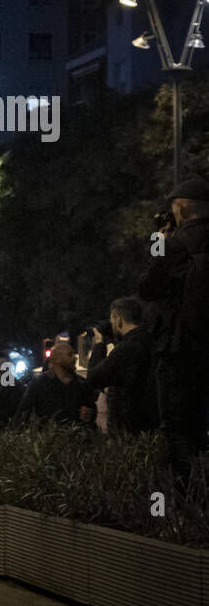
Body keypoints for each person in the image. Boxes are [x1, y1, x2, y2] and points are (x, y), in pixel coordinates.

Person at [138, 177, 209, 477]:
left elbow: (147, 287)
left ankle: (187, 501)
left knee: (178, 427)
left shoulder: (175, 244)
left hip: (180, 350)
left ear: (180, 209)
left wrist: (159, 240)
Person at [85, 297, 158, 435]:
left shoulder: (127, 347)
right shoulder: (150, 342)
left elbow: (94, 378)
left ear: (118, 319)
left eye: (112, 320)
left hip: (128, 430)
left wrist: (99, 345)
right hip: (149, 427)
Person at [15, 340, 96, 427]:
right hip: (50, 438)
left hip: (76, 437)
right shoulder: (40, 383)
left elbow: (91, 409)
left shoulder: (82, 384)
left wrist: (90, 414)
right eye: (70, 355)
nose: (75, 357)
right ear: (58, 359)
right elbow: (23, 412)